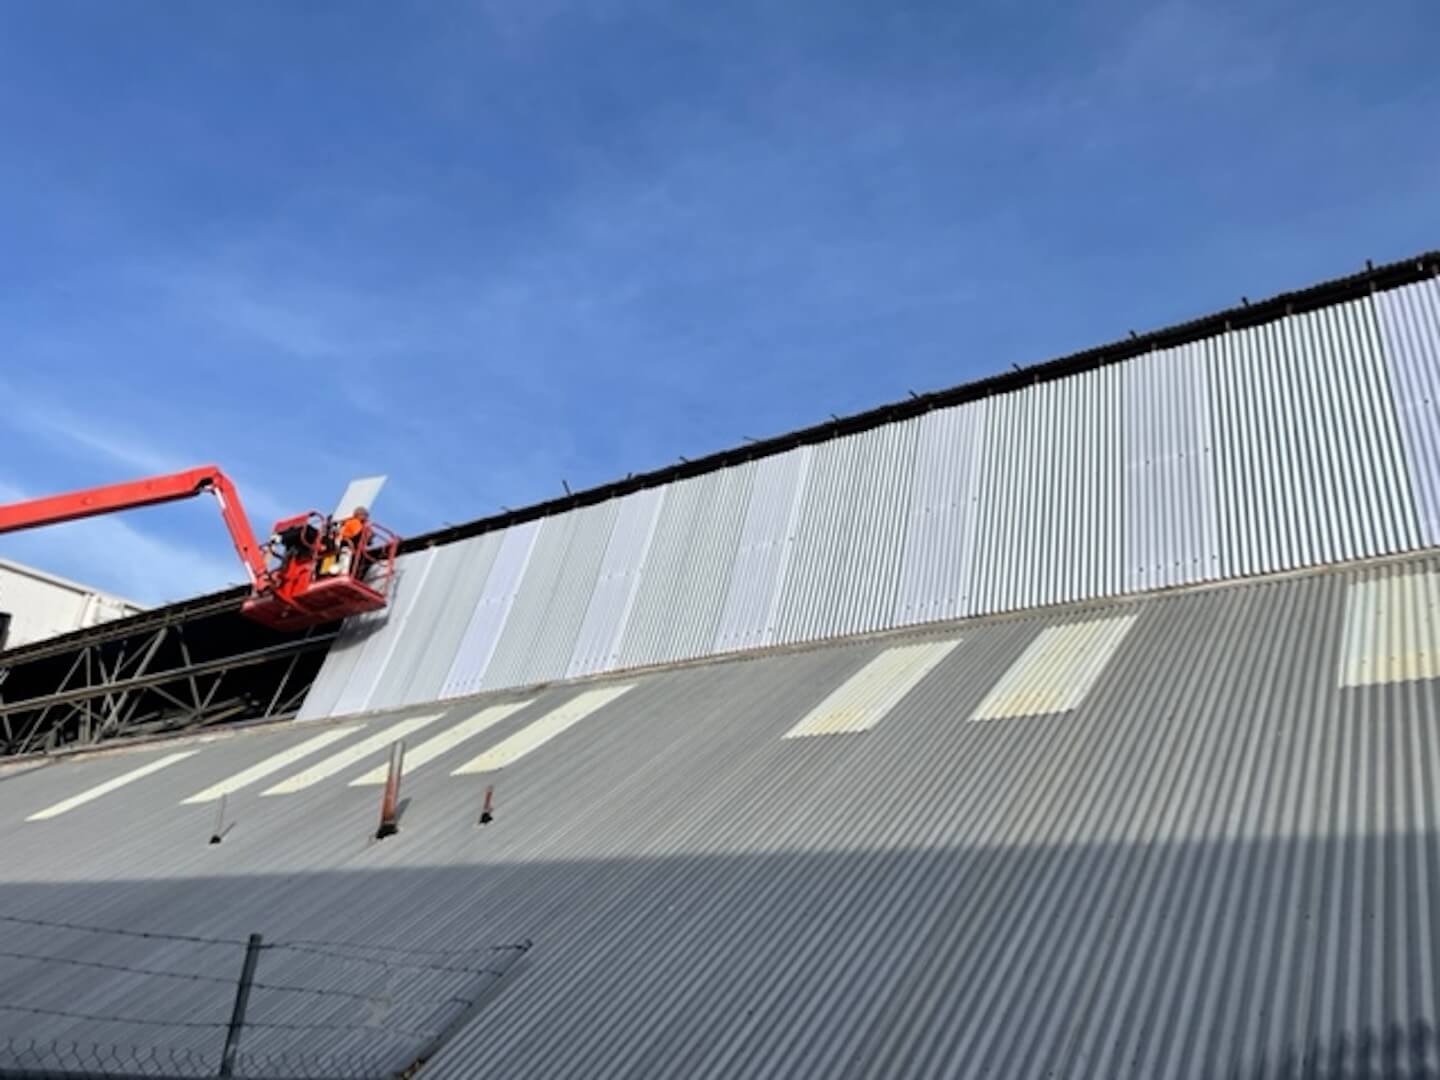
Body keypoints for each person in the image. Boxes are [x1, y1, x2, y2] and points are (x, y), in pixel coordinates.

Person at [332, 506, 370, 577]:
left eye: (366, 516)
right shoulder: (354, 522)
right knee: (346, 553)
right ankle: (343, 573)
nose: (366, 518)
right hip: (343, 544)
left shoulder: (361, 525)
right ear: (358, 514)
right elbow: (343, 534)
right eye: (364, 515)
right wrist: (349, 541)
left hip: (350, 547)